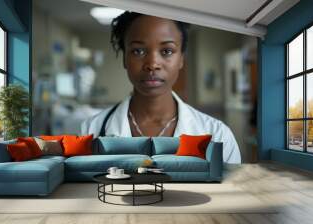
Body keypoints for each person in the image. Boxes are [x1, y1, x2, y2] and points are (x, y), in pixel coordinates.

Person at [80, 12, 241, 164]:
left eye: (167, 51)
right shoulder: (91, 130)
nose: (152, 64)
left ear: (181, 60)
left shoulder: (218, 135)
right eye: (138, 51)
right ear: (124, 59)